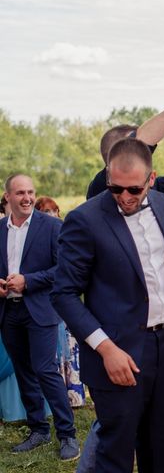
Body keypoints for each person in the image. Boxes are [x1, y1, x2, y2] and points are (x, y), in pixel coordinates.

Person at [51, 138, 164, 473]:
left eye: (134, 190)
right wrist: (106, 349)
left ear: (151, 180)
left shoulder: (162, 202)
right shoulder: (84, 220)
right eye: (115, 188)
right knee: (116, 455)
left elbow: (146, 268)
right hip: (117, 354)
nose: (124, 198)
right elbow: (63, 293)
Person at [0, 174, 79, 460]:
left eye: (31, 192)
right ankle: (38, 430)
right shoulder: (0, 229)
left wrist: (28, 281)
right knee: (24, 372)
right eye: (20, 192)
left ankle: (67, 434)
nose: (27, 198)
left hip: (40, 310)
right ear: (7, 196)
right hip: (9, 311)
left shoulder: (52, 226)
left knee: (45, 370)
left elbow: (63, 269)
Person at [33, 196, 86, 408]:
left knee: (70, 348)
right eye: (45, 211)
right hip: (45, 299)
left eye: (53, 210)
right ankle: (54, 397)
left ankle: (74, 395)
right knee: (52, 352)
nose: (51, 214)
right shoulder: (36, 234)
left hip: (66, 297)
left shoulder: (65, 231)